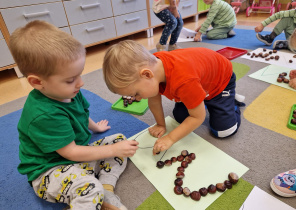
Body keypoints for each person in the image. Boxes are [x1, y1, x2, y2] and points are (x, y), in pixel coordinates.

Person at [9, 20, 139, 210]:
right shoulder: (43, 114)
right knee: (90, 186)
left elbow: (81, 114)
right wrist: (114, 151)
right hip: (50, 170)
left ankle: (106, 191)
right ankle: (95, 194)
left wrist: (96, 128)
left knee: (119, 140)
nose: (80, 83)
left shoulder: (69, 92)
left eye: (79, 75)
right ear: (37, 82)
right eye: (70, 79)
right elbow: (71, 152)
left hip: (76, 158)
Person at [102, 40, 243, 155]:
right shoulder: (153, 66)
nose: (137, 99)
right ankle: (200, 99)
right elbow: (154, 101)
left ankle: (231, 102)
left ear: (146, 75)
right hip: (199, 82)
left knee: (223, 131)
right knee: (180, 117)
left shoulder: (184, 81)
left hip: (221, 82)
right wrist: (160, 124)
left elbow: (198, 118)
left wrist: (170, 138)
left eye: (136, 93)